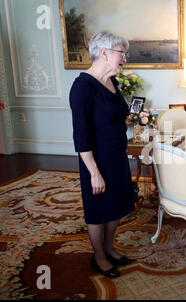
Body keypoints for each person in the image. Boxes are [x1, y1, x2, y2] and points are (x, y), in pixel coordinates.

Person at [69, 31, 136, 278]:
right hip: (95, 161)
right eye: (122, 53)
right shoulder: (82, 87)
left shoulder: (113, 81)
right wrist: (94, 173)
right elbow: (81, 136)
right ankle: (99, 255)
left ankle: (109, 247)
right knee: (98, 208)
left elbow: (116, 116)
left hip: (117, 156)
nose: (125, 59)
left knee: (116, 204)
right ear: (105, 53)